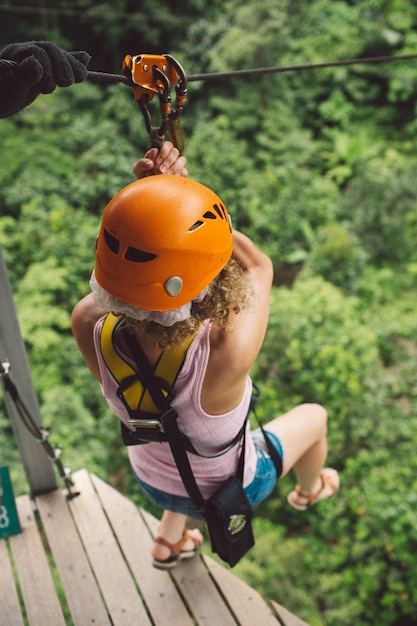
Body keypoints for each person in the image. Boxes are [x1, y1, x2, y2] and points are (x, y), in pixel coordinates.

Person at [71, 141, 339, 569]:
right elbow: (258, 267)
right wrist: (184, 216)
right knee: (316, 415)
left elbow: (125, 279)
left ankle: (168, 539)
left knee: (171, 430)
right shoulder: (223, 352)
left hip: (153, 482)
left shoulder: (88, 324)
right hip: (229, 489)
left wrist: (155, 210)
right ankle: (310, 491)